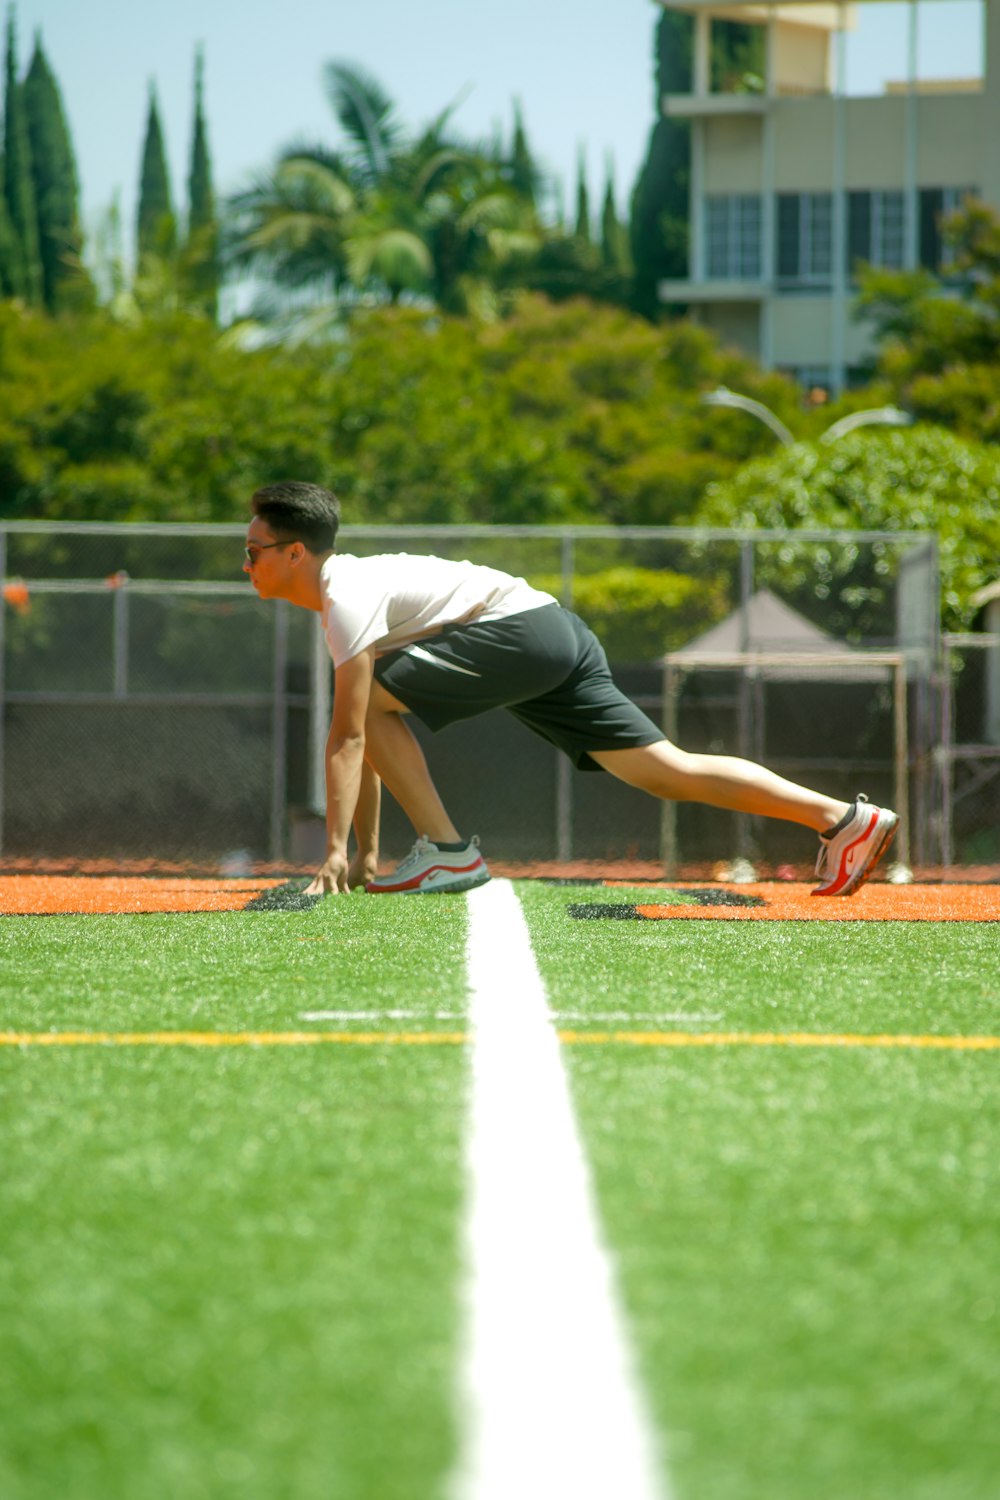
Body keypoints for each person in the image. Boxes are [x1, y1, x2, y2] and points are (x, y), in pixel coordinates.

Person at [243, 481, 899, 899]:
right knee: (666, 771)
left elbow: (351, 733)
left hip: (523, 635)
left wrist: (334, 855)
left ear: (295, 553)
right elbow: (366, 737)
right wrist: (361, 856)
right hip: (551, 633)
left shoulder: (344, 595)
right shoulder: (352, 591)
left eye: (254, 551)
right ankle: (843, 820)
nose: (246, 563)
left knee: (368, 698)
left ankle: (446, 852)